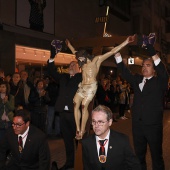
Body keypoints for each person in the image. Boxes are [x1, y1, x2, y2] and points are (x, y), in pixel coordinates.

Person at [114, 34, 169, 170]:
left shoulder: (159, 82)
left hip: (153, 126)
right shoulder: (137, 79)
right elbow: (125, 73)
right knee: (139, 156)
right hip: (137, 125)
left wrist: (150, 48)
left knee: (156, 156)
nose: (144, 67)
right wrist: (118, 57)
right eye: (143, 65)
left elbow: (163, 71)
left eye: (148, 65)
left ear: (154, 70)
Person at [66, 35, 134, 139]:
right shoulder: (81, 60)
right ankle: (78, 129)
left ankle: (82, 130)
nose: (79, 61)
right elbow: (73, 50)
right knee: (75, 103)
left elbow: (111, 52)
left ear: (85, 55)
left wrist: (126, 42)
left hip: (91, 87)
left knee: (84, 105)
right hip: (82, 86)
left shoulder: (96, 60)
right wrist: (69, 44)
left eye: (80, 58)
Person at [47, 42, 82, 170]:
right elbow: (51, 70)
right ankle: (69, 162)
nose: (72, 65)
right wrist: (52, 56)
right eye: (70, 64)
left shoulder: (82, 78)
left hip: (76, 114)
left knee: (80, 140)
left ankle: (80, 163)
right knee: (67, 141)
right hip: (63, 114)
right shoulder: (63, 77)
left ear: (79, 68)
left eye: (74, 64)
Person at [81, 105, 141, 170]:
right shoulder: (86, 143)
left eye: (100, 122)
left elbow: (134, 166)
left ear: (110, 122)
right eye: (94, 121)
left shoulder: (122, 141)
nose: (96, 125)